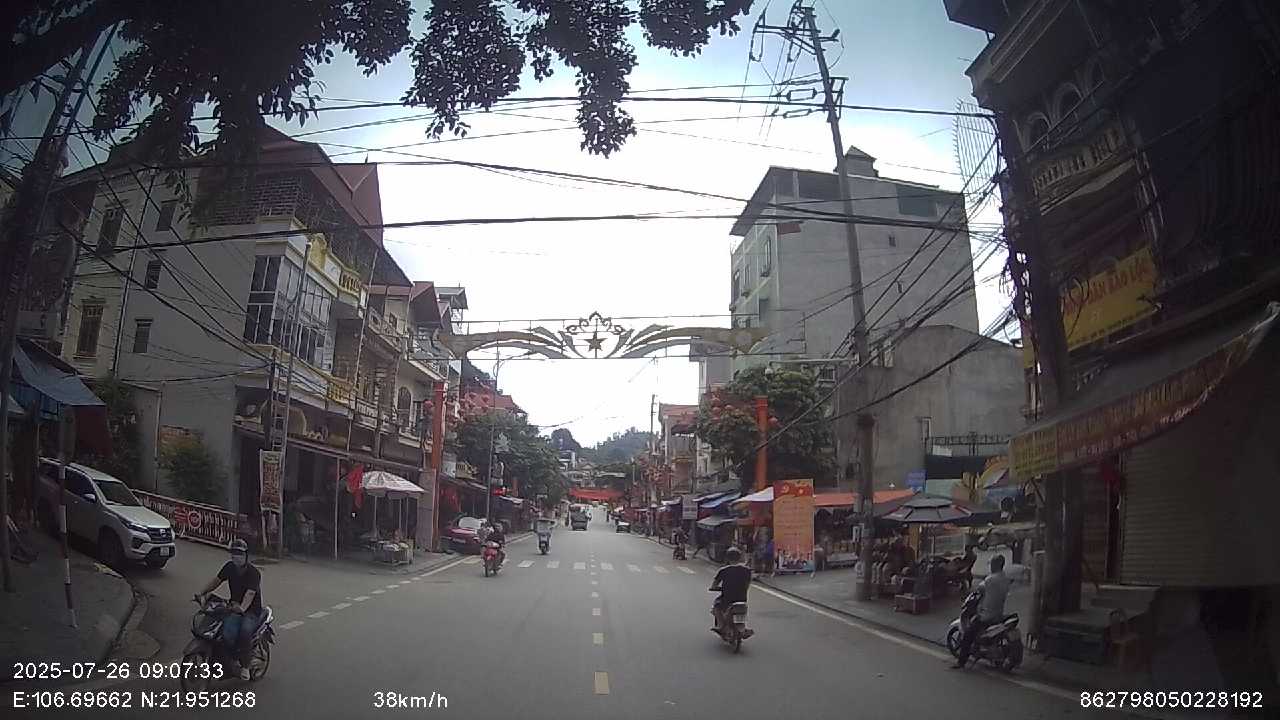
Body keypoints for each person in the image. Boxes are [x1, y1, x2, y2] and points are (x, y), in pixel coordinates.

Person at [196, 539, 262, 680]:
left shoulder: (254, 573)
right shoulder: (229, 567)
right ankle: (226, 661)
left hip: (250, 611)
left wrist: (242, 608)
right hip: (234, 607)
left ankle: (245, 666)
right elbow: (216, 581)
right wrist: (202, 593)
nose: (236, 556)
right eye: (234, 553)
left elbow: (250, 594)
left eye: (239, 553)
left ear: (246, 555)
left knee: (244, 631)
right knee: (224, 632)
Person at [953, 555, 1012, 668]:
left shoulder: (989, 580)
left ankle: (961, 662)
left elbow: (979, 590)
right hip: (999, 614)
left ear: (995, 565)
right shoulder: (1005, 579)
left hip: (987, 615)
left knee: (968, 635)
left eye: (992, 564)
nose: (990, 566)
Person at [709, 546, 752, 632]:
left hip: (727, 599)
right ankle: (742, 627)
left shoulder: (723, 570)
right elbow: (747, 585)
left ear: (727, 558)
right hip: (742, 598)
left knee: (716, 606)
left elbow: (714, 585)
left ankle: (720, 625)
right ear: (739, 557)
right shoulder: (747, 570)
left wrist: (717, 588)